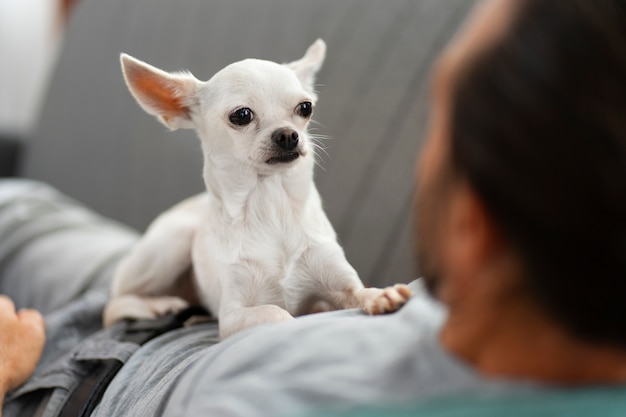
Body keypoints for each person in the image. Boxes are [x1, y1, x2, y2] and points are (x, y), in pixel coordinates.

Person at [2, 0, 626, 416]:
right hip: (164, 283)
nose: (291, 129)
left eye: (444, 113)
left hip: (77, 364)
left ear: (477, 221)